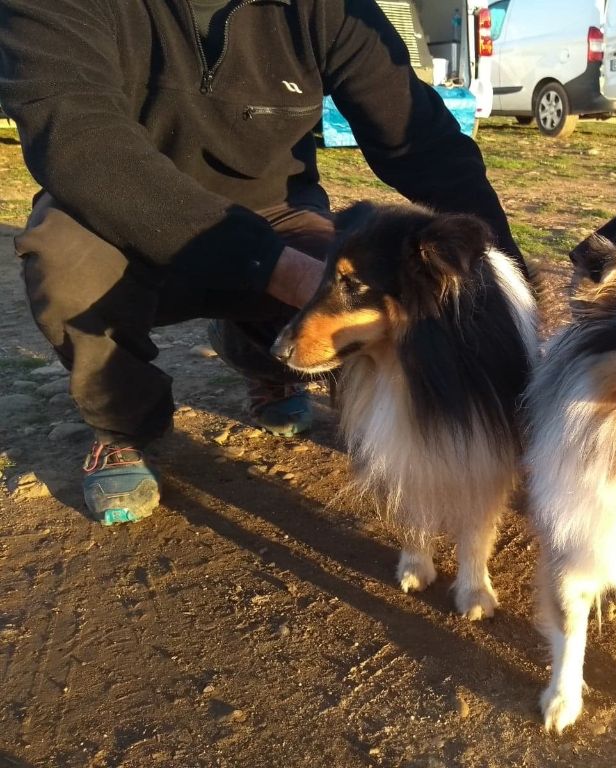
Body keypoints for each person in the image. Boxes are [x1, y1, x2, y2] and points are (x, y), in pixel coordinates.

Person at [0, 0, 523, 525]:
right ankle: (124, 426)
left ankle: (261, 355)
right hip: (111, 206)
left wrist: (503, 281)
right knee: (62, 257)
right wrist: (273, 267)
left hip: (276, 208)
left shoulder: (327, 8)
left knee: (365, 284)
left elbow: (423, 144)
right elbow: (79, 141)